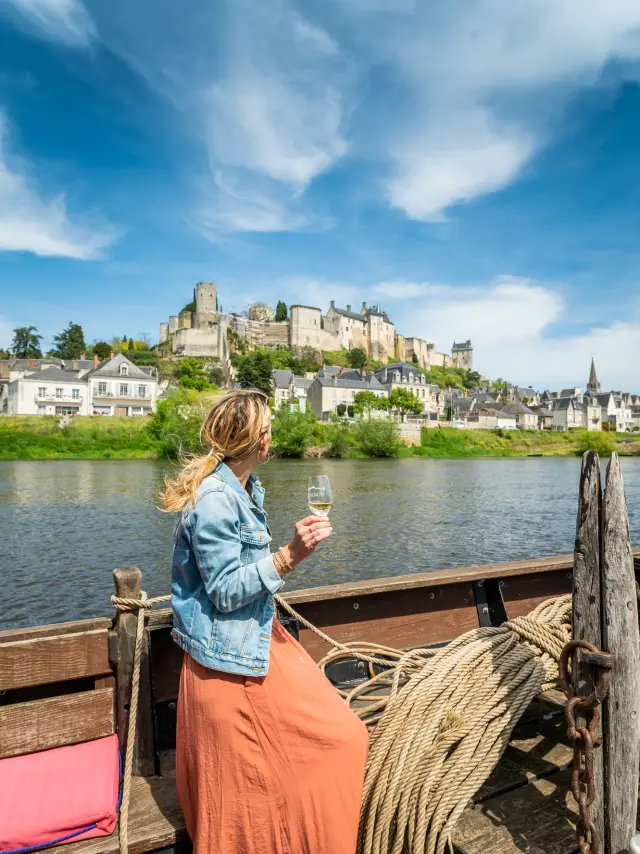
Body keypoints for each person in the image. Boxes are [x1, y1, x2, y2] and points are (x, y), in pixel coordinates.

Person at [161, 389, 368, 854]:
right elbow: (226, 591)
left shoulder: (242, 489)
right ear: (260, 442)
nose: (272, 436)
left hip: (256, 644)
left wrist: (287, 555)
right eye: (269, 427)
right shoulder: (216, 498)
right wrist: (291, 555)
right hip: (232, 665)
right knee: (341, 743)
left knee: (339, 742)